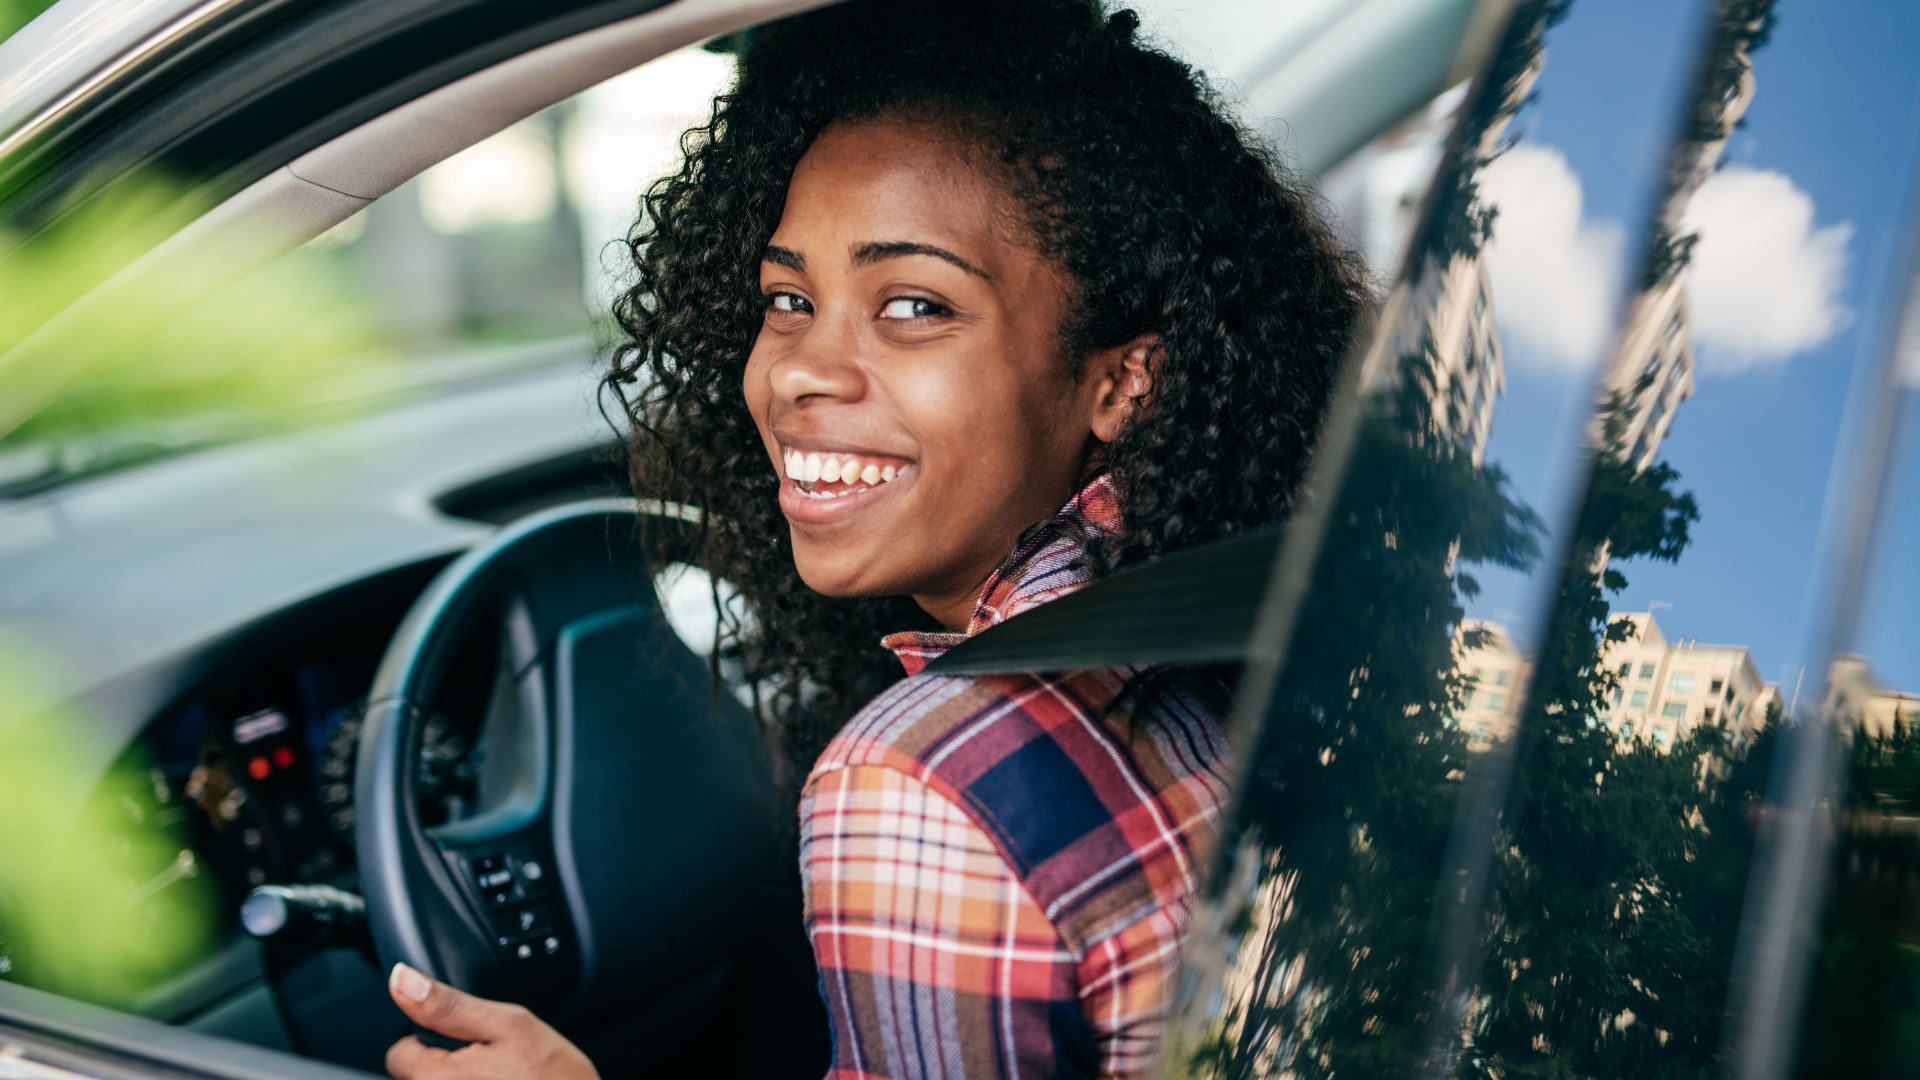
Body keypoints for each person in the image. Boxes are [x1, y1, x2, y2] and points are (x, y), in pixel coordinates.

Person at [379, 0, 1368, 1076]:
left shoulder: (917, 784)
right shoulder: (1274, 612)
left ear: (1120, 381)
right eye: (789, 297)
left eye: (913, 307)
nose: (801, 369)